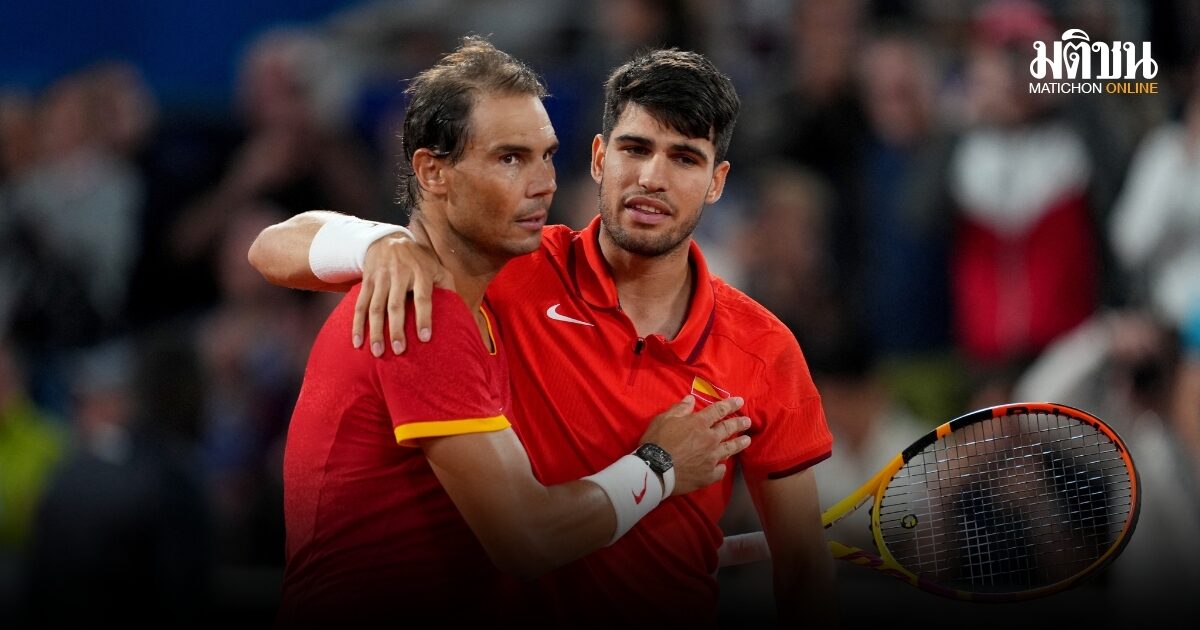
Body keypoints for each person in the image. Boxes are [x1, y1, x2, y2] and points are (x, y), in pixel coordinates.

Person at [249, 46, 834, 626]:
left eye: (684, 158)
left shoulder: (766, 348)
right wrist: (379, 241)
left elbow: (804, 571)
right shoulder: (471, 281)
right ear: (600, 158)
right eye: (635, 149)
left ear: (716, 182)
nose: (652, 178)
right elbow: (270, 247)